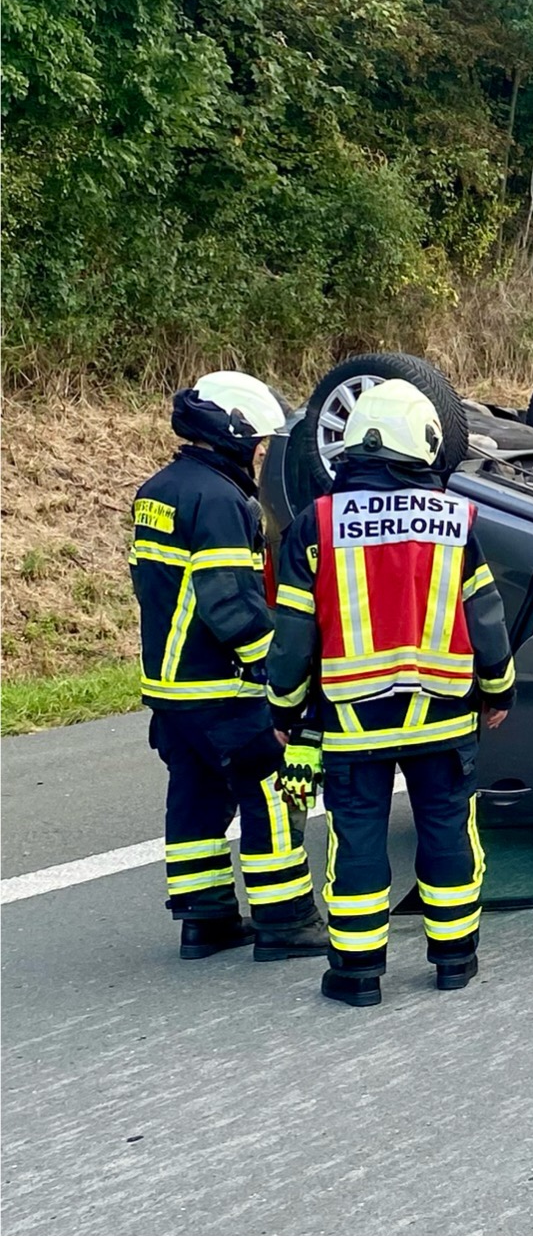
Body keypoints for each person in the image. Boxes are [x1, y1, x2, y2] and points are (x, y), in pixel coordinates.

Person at [265, 380, 516, 1006]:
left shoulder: (317, 523)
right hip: (443, 716)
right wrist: (499, 689)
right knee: (447, 831)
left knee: (357, 840)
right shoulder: (454, 520)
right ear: (422, 442)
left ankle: (357, 974)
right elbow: (485, 615)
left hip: (355, 723)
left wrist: (284, 707)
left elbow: (293, 632)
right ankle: (455, 959)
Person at [131, 373, 327, 963]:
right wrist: (278, 671)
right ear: (234, 431)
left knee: (195, 793)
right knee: (272, 789)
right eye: (259, 442)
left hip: (171, 686)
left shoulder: (159, 489)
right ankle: (285, 920)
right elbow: (230, 603)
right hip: (221, 686)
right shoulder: (218, 500)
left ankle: (205, 919)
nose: (262, 453)